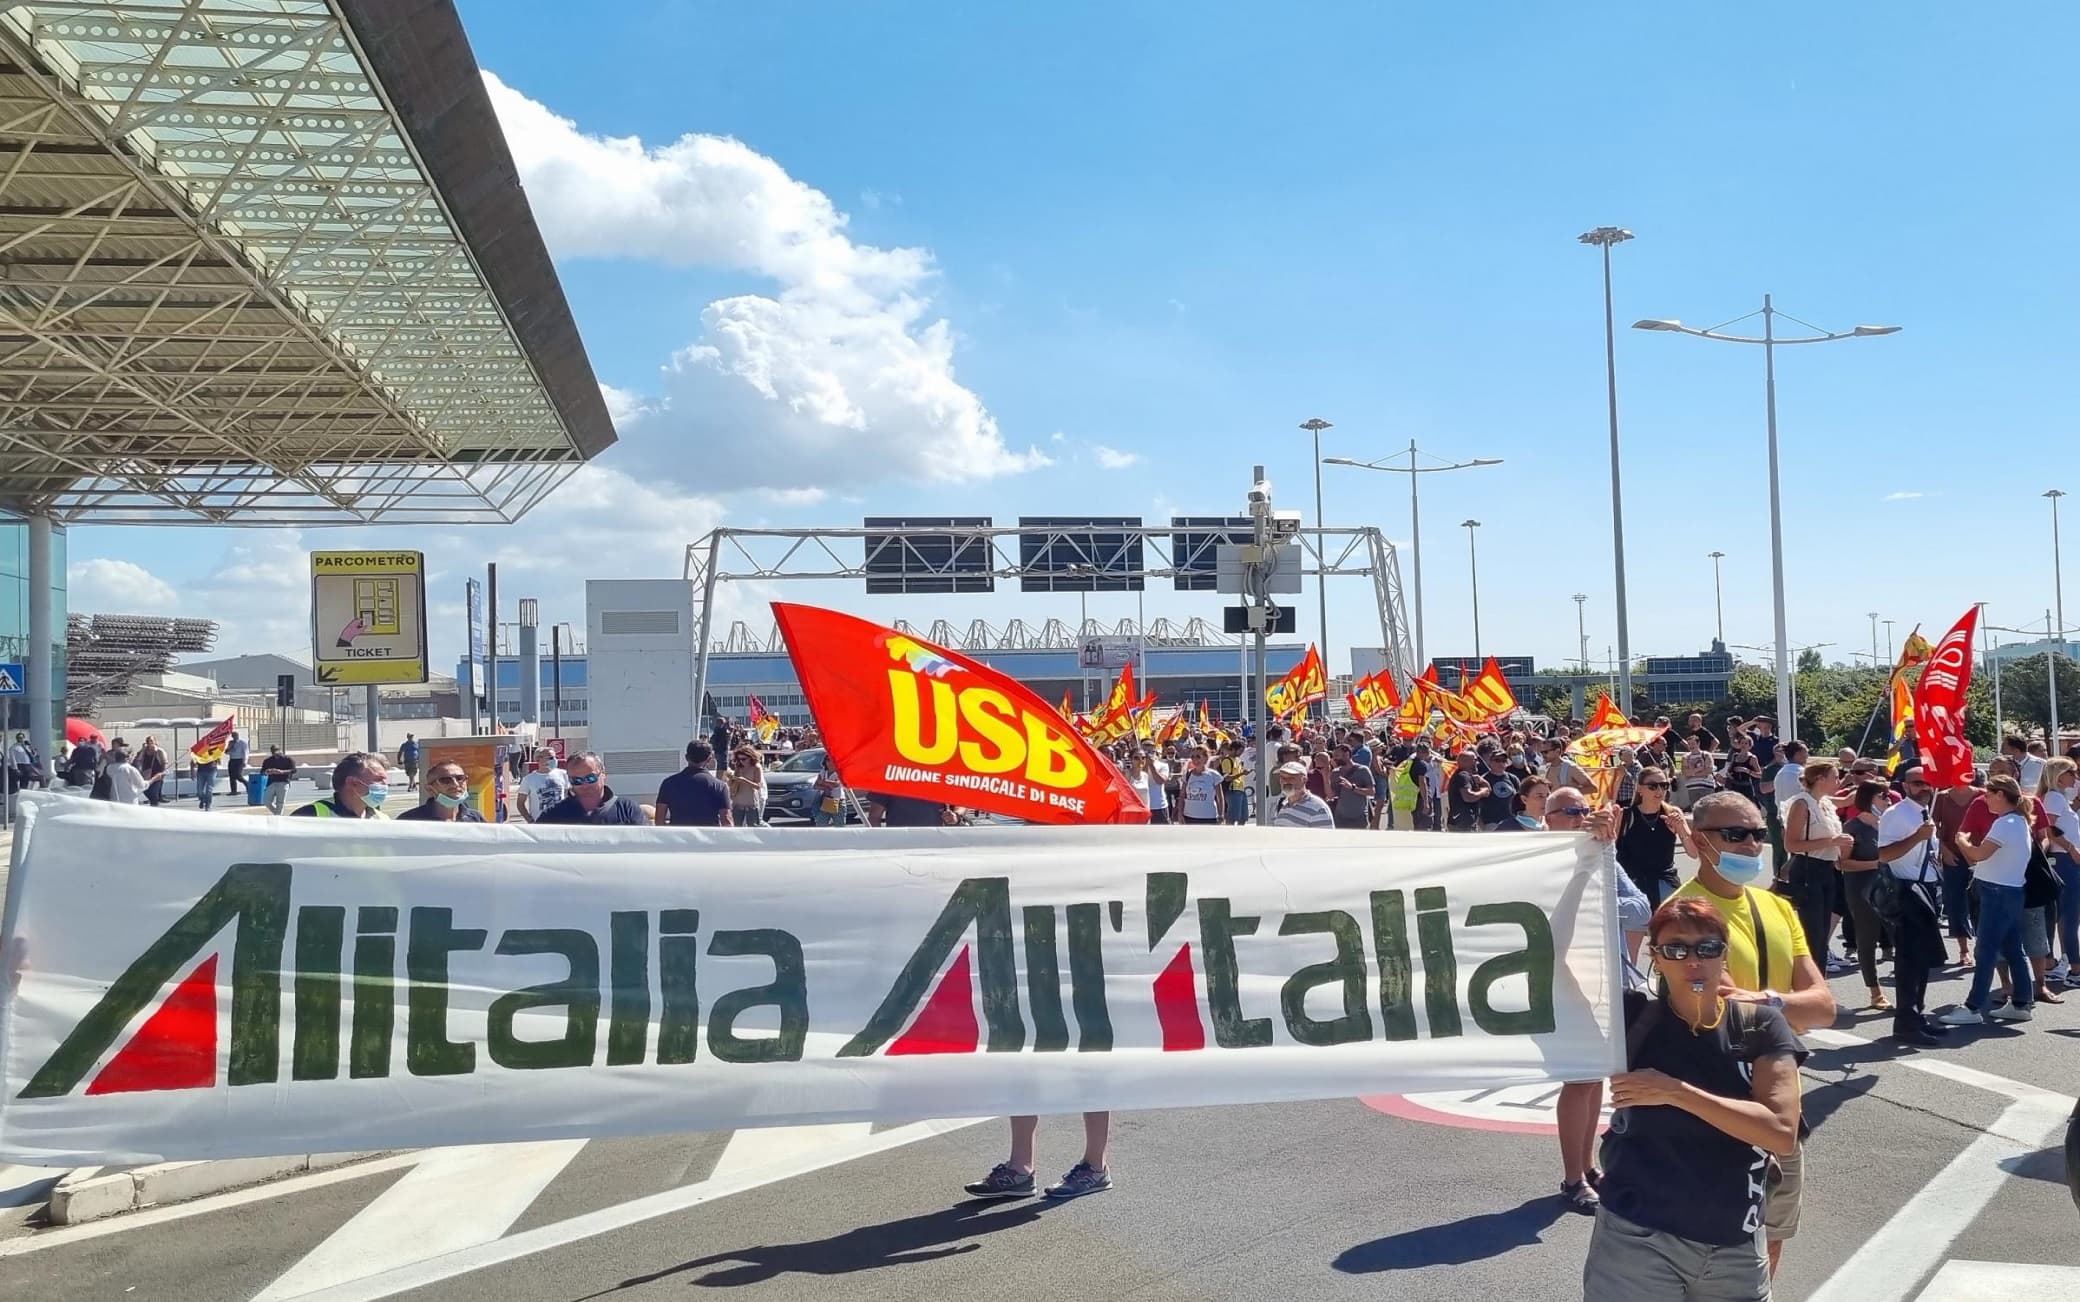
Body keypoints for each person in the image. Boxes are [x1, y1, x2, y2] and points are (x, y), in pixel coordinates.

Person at [1582, 897, 1804, 1302]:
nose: (1693, 960)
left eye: (1707, 948)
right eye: (1675, 949)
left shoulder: (1758, 1026)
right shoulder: (1633, 1020)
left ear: (1724, 953)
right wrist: (1585, 856)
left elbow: (1781, 1132)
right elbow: (1559, 967)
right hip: (1638, 1242)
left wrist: (1675, 1092)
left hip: (1735, 1246)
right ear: (1656, 958)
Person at [1669, 791, 1837, 1277]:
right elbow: (1708, 1009)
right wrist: (1785, 1007)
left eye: (1758, 835)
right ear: (1700, 841)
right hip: (1715, 1106)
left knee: (1770, 1241)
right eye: (1736, 834)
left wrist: (1766, 1001)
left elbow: (1824, 1007)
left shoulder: (1776, 907)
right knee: (1708, 1255)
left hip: (1780, 1106)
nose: (1751, 845)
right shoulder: (1681, 917)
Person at [1550, 787, 1655, 1213]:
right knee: (1579, 1079)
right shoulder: (1541, 860)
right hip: (1562, 980)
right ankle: (1572, 1177)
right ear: (1550, 817)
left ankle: (1588, 1164)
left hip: (1605, 979)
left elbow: (1640, 909)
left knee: (1595, 1078)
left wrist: (1603, 860)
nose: (1582, 818)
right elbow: (1554, 924)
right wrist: (1588, 885)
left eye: (1586, 810)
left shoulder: (1604, 856)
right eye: (1571, 811)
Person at [1940, 773, 2038, 1027]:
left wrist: (1961, 840)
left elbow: (1978, 854)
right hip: (2009, 891)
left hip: (1998, 893)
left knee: (1985, 951)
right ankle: (2020, 1003)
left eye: (1989, 795)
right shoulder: (2017, 821)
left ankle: (1973, 1007)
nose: (1985, 800)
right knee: (2013, 950)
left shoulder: (2005, 823)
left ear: (2001, 795)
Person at [1878, 766, 1949, 1046]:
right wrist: (1918, 837)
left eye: (1928, 783)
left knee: (1922, 960)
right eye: (1918, 783)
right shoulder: (1896, 814)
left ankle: (1916, 1015)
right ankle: (1905, 1022)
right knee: (1908, 960)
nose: (1924, 787)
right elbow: (1884, 854)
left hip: (1927, 888)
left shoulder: (1925, 812)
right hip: (1906, 890)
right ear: (1905, 785)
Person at [1782, 760, 1855, 970]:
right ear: (1820, 779)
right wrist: (1831, 842)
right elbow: (1791, 843)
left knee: (1822, 932)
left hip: (1827, 869)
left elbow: (1844, 801)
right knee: (1812, 932)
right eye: (1834, 777)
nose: (1838, 781)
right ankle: (1810, 982)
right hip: (1807, 869)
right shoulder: (1802, 804)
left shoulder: (1824, 802)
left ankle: (1819, 981)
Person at [1837, 779, 1893, 1010]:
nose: (1888, 800)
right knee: (1867, 939)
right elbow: (1842, 864)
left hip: (1889, 889)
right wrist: (1875, 864)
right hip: (1861, 890)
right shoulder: (1853, 828)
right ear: (1870, 799)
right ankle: (1875, 992)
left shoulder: (1888, 825)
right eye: (1884, 796)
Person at [1614, 767, 1682, 907]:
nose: (1659, 791)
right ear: (1639, 788)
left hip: (1665, 884)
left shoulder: (1672, 813)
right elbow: (1609, 850)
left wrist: (1681, 829)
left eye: (1664, 785)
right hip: (1632, 886)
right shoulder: (1625, 815)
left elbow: (1693, 853)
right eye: (1652, 786)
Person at [1934, 778, 1979, 965]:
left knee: (1979, 901)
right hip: (1952, 855)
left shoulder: (1982, 796)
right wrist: (1944, 851)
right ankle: (1963, 949)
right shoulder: (1942, 798)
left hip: (1979, 854)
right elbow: (1933, 828)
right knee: (1955, 901)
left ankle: (1981, 945)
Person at [535, 751, 649, 825]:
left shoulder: (627, 809)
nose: (584, 785)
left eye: (590, 778)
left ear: (603, 773)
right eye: (576, 781)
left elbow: (646, 845)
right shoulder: (554, 814)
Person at [655, 741, 731, 827]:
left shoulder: (668, 783)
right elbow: (727, 822)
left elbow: (659, 820)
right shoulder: (720, 786)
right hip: (708, 838)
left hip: (678, 838)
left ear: (686, 757)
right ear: (709, 760)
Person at [291, 753, 390, 819]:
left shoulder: (382, 820)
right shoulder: (309, 816)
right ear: (352, 782)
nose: (384, 785)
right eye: (378, 780)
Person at [396, 760, 488, 822]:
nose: (455, 784)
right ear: (430, 789)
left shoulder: (476, 819)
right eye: (445, 780)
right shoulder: (409, 820)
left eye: (460, 778)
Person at [1271, 759, 1334, 828]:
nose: (1286, 782)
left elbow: (1325, 838)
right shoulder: (1282, 804)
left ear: (1304, 780)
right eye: (1282, 778)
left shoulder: (1317, 808)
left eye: (1291, 778)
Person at [1328, 743, 1375, 830]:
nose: (1334, 758)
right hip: (1340, 818)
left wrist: (1353, 788)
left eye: (1337, 755)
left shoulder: (1363, 770)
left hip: (1359, 818)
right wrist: (1325, 775)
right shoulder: (1335, 772)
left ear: (1347, 754)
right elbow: (1331, 795)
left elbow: (1371, 792)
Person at [518, 749, 572, 823]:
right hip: (540, 822)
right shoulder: (528, 779)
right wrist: (530, 820)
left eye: (555, 757)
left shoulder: (563, 774)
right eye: (550, 758)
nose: (554, 760)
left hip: (561, 821)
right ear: (539, 759)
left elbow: (568, 797)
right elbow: (520, 803)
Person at [1476, 748, 1520, 831]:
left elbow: (1520, 799)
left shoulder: (1513, 778)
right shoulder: (1484, 780)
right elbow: (1477, 803)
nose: (1501, 763)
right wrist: (1481, 824)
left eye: (1503, 761)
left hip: (1511, 822)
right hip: (1491, 823)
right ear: (1490, 762)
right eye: (1497, 760)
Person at [1177, 747, 1223, 825]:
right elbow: (1182, 796)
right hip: (1189, 816)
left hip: (1208, 816)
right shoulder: (1187, 775)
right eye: (1192, 757)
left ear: (1205, 758)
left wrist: (1221, 814)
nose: (1195, 759)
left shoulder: (1214, 775)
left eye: (1198, 756)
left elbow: (1220, 797)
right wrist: (1180, 814)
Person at [725, 746, 768, 827]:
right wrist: (731, 779)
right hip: (737, 801)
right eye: (739, 759)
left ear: (750, 757)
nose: (741, 761)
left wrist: (744, 780)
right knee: (737, 826)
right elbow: (734, 783)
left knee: (753, 826)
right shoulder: (739, 766)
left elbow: (758, 786)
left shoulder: (756, 767)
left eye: (744, 759)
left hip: (750, 801)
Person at [1135, 748, 1172, 824]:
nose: (1148, 753)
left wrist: (1151, 765)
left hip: (1158, 806)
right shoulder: (1137, 766)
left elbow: (1160, 781)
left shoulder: (1163, 765)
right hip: (1142, 806)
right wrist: (1144, 764)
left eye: (1151, 749)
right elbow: (1141, 779)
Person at [810, 753, 848, 827]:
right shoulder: (823, 772)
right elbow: (815, 786)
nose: (830, 763)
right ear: (825, 762)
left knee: (839, 825)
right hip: (825, 801)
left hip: (838, 801)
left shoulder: (839, 772)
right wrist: (825, 787)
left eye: (832, 761)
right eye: (828, 760)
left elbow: (836, 784)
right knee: (821, 823)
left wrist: (823, 782)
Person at [260, 746, 298, 815]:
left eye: (276, 750)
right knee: (266, 801)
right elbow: (262, 772)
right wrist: (268, 771)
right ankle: (278, 814)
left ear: (280, 750)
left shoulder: (288, 759)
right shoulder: (268, 761)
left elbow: (294, 770)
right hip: (271, 782)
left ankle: (278, 816)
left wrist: (282, 772)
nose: (275, 753)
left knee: (280, 802)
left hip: (283, 781)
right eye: (273, 751)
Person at [136, 736, 167, 806]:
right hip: (146, 774)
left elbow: (164, 762)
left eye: (151, 741)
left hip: (157, 774)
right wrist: (142, 750)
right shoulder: (144, 751)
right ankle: (153, 801)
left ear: (155, 742)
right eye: (148, 741)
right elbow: (138, 760)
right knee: (146, 790)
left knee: (154, 792)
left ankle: (154, 804)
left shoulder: (159, 751)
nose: (150, 743)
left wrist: (163, 772)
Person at [224, 730, 249, 794]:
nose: (234, 737)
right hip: (232, 760)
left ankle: (247, 784)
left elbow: (245, 753)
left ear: (238, 736)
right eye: (233, 736)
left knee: (238, 775)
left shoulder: (242, 743)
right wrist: (230, 748)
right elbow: (227, 752)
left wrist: (245, 761)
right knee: (232, 776)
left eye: (235, 736)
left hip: (239, 760)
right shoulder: (230, 743)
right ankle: (233, 791)